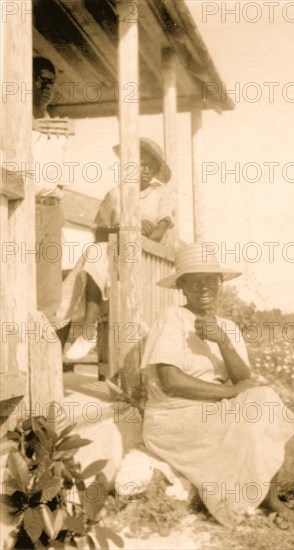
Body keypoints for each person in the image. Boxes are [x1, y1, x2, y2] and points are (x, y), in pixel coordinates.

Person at [140, 243, 294, 527]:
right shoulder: (173, 319)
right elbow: (170, 380)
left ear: (219, 284)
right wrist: (229, 393)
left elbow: (244, 379)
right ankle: (235, 501)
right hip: (173, 416)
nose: (205, 287)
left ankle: (271, 497)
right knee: (251, 405)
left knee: (265, 400)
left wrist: (222, 340)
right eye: (196, 281)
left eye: (211, 280)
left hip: (211, 409)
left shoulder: (226, 326)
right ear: (183, 287)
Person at [60, 138, 175, 361]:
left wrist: (133, 234)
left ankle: (87, 329)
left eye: (150, 165)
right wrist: (128, 228)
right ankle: (85, 330)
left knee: (93, 259)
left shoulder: (162, 195)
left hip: (147, 264)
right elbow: (99, 233)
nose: (144, 169)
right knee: (94, 254)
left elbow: (158, 234)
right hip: (111, 258)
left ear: (155, 170)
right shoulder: (115, 194)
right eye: (138, 163)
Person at [32, 57, 68, 322]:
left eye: (50, 82)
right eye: (40, 80)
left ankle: (43, 346)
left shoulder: (57, 126)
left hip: (52, 209)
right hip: (22, 208)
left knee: (49, 283)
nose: (45, 87)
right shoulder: (7, 119)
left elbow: (61, 178)